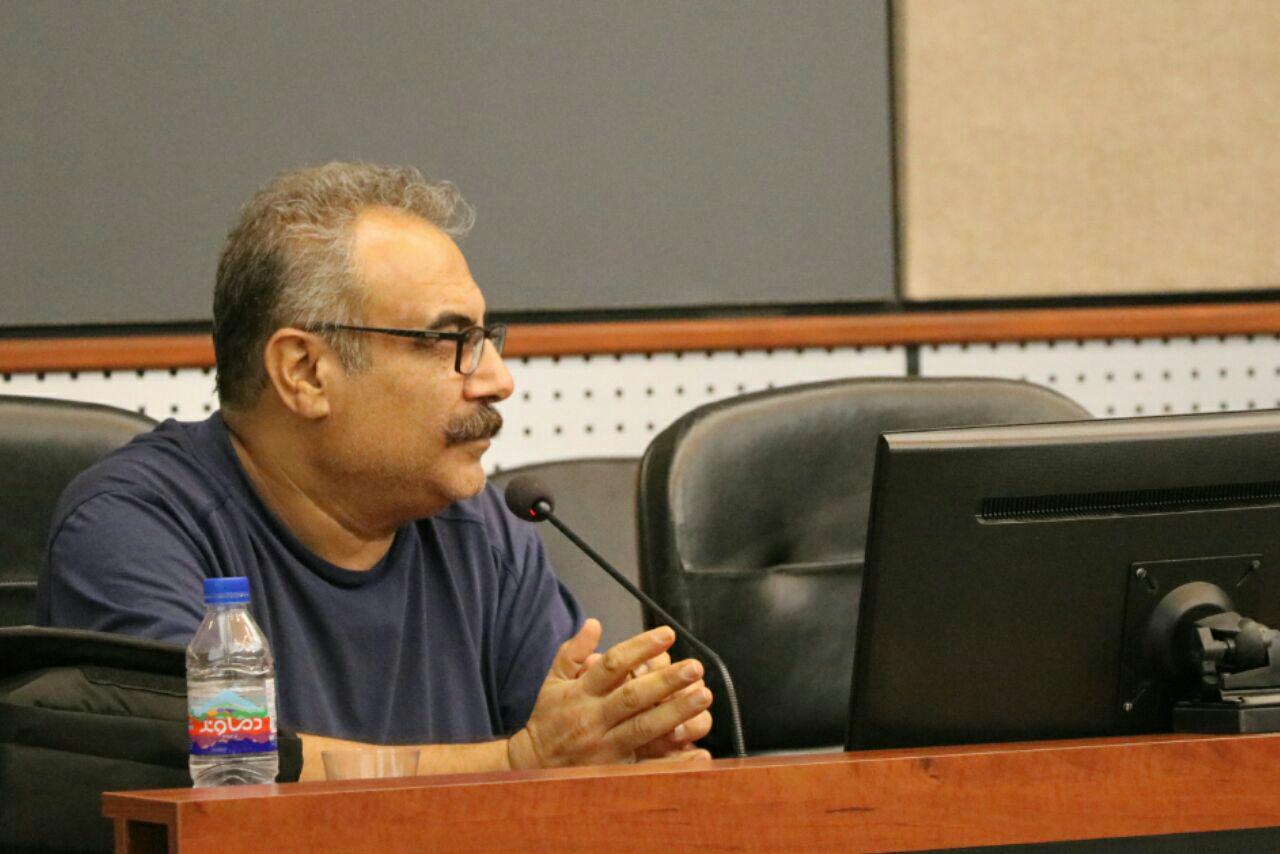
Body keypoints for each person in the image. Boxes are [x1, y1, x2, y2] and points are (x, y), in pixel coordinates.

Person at [37, 162, 712, 779]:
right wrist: (516, 762)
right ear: (305, 373)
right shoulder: (133, 529)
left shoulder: (484, 533)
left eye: (486, 339)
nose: (498, 379)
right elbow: (222, 772)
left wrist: (623, 754)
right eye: (451, 341)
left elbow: (565, 761)